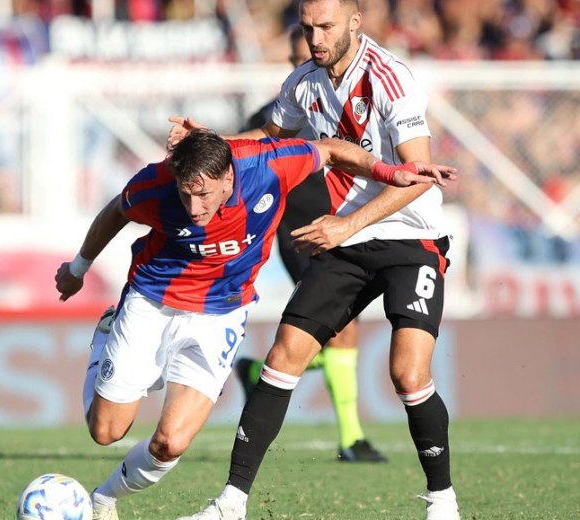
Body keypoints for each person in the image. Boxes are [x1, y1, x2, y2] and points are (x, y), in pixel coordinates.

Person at [56, 129, 453, 520]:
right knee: (106, 432)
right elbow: (116, 211)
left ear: (229, 177)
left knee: (170, 444)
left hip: (221, 314)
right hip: (152, 303)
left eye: (203, 194)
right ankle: (106, 336)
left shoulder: (267, 165)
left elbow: (331, 149)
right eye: (186, 194)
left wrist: (388, 172)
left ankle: (103, 499)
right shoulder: (156, 184)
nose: (194, 207)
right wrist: (78, 269)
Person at [173, 1, 461, 519]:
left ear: (355, 21)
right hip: (348, 242)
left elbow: (418, 175)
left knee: (408, 373)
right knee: (284, 355)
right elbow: (270, 138)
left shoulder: (390, 79)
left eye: (326, 26)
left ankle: (443, 502)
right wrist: (213, 142)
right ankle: (230, 504)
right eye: (308, 28)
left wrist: (347, 224)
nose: (316, 38)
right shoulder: (303, 83)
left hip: (411, 238)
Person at [233, 24, 386, 463]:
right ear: (291, 64)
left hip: (349, 227)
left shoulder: (352, 105)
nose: (314, 56)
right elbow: (244, 177)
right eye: (302, 55)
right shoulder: (268, 122)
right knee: (340, 329)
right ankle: (352, 439)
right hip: (302, 236)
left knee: (336, 333)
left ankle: (259, 372)